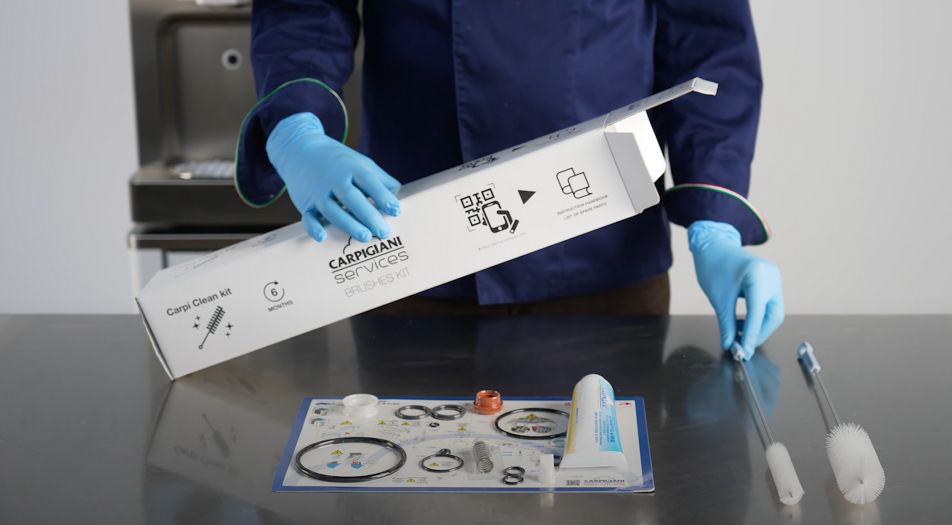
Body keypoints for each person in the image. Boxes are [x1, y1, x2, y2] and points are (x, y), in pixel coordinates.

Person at [235, 0, 783, 360]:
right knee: (406, 480)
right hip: (408, 249)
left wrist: (715, 224)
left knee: (600, 481)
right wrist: (296, 128)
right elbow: (304, 9)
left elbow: (708, 42)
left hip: (602, 261)